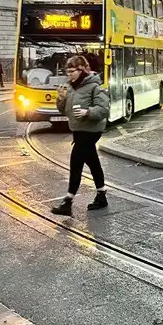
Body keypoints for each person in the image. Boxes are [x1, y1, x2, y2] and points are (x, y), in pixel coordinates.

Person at [51, 56, 110, 216]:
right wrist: (61, 99)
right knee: (93, 162)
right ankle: (101, 194)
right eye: (68, 71)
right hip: (78, 131)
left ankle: (68, 201)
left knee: (76, 161)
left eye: (72, 71)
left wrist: (88, 112)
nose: (69, 74)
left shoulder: (94, 86)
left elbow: (104, 109)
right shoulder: (70, 87)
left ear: (82, 69)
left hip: (91, 131)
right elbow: (63, 110)